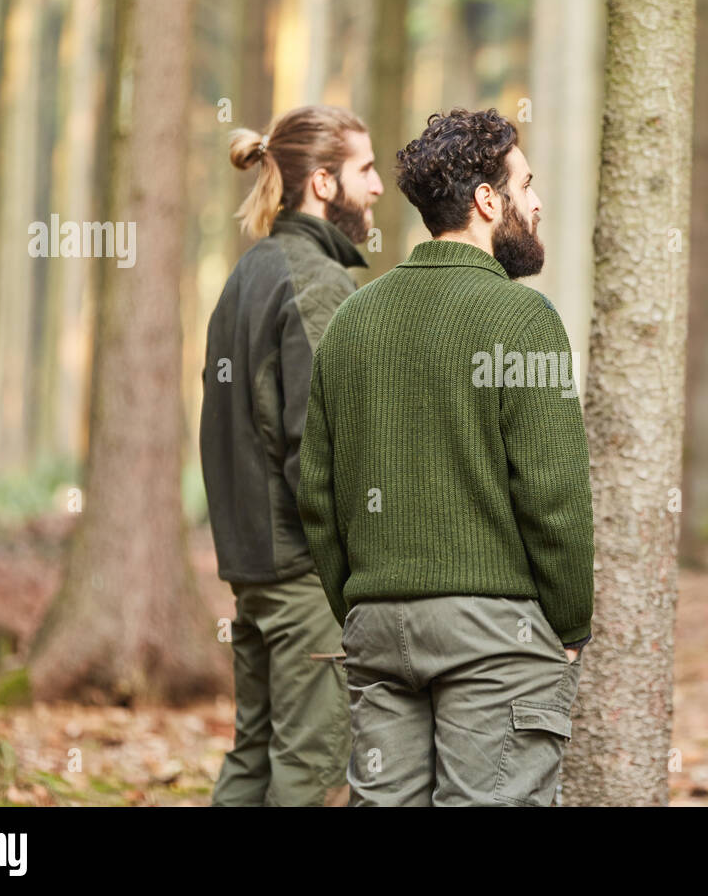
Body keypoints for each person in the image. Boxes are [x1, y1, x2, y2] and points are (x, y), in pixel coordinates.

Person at [297, 108, 594, 806]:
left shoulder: (352, 321)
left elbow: (316, 494)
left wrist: (363, 602)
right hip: (497, 634)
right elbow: (555, 498)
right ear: (489, 201)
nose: (539, 201)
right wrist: (570, 620)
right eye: (527, 184)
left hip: (376, 629)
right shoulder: (524, 320)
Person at [200, 105, 383, 806]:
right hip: (305, 576)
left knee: (253, 756)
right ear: (325, 184)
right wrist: (354, 570)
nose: (376, 189)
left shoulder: (250, 272)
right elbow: (319, 450)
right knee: (310, 775)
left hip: (255, 569)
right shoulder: (315, 283)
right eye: (365, 171)